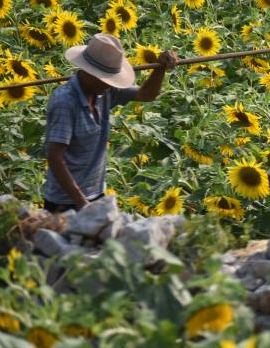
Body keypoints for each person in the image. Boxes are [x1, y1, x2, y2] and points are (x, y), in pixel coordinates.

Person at [41, 33, 178, 213]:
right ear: (89, 72)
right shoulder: (65, 102)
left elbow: (146, 95)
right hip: (65, 202)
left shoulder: (104, 91)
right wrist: (81, 203)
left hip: (95, 194)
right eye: (105, 79)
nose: (109, 84)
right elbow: (55, 158)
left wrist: (160, 68)